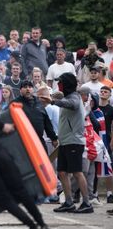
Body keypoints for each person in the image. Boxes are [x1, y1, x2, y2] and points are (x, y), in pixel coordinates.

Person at [45, 72, 94, 213]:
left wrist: (53, 101)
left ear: (66, 84)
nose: (59, 85)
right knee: (61, 172)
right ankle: (68, 202)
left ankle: (87, 203)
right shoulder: (68, 97)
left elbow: (70, 104)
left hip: (74, 142)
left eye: (60, 82)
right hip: (65, 141)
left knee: (77, 172)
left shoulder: (75, 98)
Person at [12, 80, 58, 152]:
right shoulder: (15, 103)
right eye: (25, 87)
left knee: (43, 161)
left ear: (33, 89)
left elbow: (46, 122)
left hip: (38, 140)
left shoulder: (38, 102)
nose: (28, 89)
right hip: (22, 142)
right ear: (20, 90)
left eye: (30, 87)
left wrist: (53, 138)